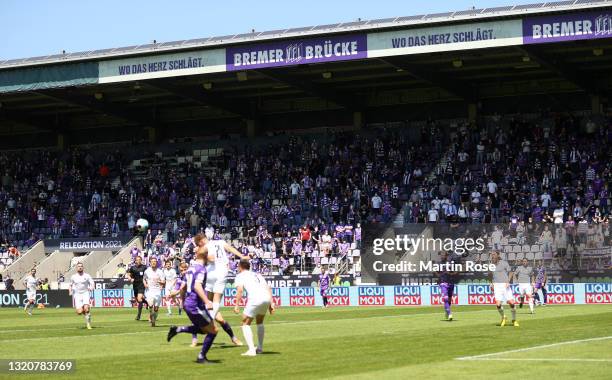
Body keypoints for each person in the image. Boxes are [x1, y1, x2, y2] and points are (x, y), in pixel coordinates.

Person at [167, 248, 219, 364]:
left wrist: (183, 302)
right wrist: (207, 301)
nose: (212, 258)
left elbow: (183, 287)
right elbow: (197, 286)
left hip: (189, 303)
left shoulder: (190, 269)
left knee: (205, 330)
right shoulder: (201, 269)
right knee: (214, 329)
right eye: (210, 255)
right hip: (196, 305)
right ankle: (201, 356)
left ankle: (178, 329)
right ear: (205, 256)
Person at [197, 230, 245, 345]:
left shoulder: (205, 247)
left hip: (209, 273)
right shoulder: (221, 242)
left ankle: (211, 322)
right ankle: (211, 321)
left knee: (211, 306)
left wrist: (206, 258)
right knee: (215, 306)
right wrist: (242, 256)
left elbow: (200, 256)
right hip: (221, 271)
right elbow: (231, 249)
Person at [233, 259, 274, 356]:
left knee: (245, 323)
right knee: (259, 322)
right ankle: (259, 348)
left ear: (240, 267)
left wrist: (237, 305)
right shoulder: (257, 274)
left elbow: (240, 290)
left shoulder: (240, 276)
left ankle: (251, 350)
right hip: (266, 298)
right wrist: (271, 303)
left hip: (255, 298)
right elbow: (268, 288)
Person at [490, 251, 518, 327]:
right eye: (491, 255)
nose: (492, 256)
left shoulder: (504, 263)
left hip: (505, 285)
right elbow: (491, 275)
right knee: (498, 305)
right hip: (496, 286)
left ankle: (514, 320)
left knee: (511, 303)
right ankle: (503, 317)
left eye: (494, 254)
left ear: (498, 255)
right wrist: (491, 283)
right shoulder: (491, 265)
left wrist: (508, 281)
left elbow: (511, 272)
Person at [69, 262, 95, 329]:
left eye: (81, 266)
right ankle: (87, 314)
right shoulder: (73, 277)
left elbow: (92, 283)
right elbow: (70, 285)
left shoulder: (87, 276)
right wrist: (70, 291)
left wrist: (91, 288)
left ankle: (88, 324)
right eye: (78, 266)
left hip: (85, 293)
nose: (80, 267)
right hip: (77, 295)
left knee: (86, 308)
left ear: (83, 268)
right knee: (79, 312)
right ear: (76, 268)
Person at [143, 257, 165, 327]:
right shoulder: (147, 271)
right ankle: (150, 311)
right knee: (150, 304)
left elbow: (164, 282)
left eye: (155, 261)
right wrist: (145, 284)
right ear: (150, 262)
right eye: (152, 261)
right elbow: (144, 279)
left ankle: (153, 320)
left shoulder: (160, 271)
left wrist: (160, 282)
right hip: (149, 291)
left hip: (157, 292)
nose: (153, 262)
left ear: (157, 263)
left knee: (156, 309)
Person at [438, 251, 459, 321]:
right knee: (446, 298)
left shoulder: (450, 264)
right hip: (443, 283)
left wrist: (450, 274)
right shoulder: (439, 264)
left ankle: (447, 311)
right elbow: (435, 272)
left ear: (446, 256)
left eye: (443, 255)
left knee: (449, 300)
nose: (441, 256)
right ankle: (449, 313)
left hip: (451, 283)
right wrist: (440, 276)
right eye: (441, 255)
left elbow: (456, 272)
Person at [126, 256, 148, 320]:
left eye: (139, 260)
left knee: (139, 298)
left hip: (142, 284)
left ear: (141, 260)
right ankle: (146, 302)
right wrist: (129, 278)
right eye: (137, 260)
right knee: (138, 300)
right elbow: (129, 274)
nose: (138, 261)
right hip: (135, 285)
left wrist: (147, 282)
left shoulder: (144, 267)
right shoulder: (133, 268)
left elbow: (148, 274)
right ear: (135, 261)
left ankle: (138, 316)